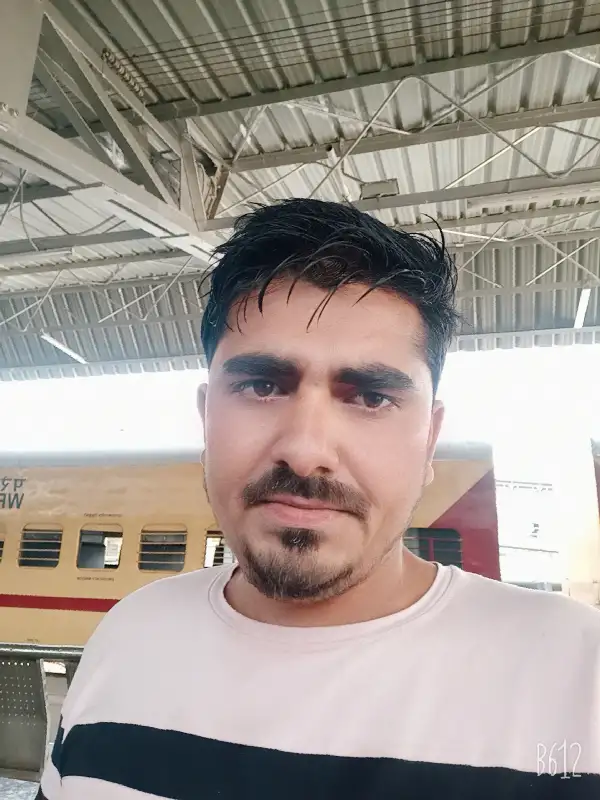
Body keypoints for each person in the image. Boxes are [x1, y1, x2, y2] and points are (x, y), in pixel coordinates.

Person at [38, 199, 600, 799]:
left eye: (371, 397)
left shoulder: (575, 673)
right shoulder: (128, 636)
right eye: (262, 385)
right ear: (206, 419)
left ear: (429, 439)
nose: (305, 451)